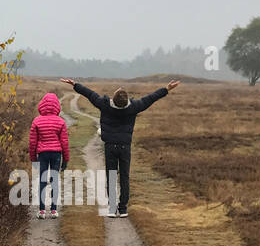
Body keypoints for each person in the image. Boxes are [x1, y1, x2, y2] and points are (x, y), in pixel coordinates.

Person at [60, 77, 180, 216]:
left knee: (111, 176)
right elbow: (151, 98)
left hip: (110, 146)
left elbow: (90, 94)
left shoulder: (104, 105)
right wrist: (166, 89)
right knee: (124, 177)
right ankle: (123, 209)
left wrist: (75, 85)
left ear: (114, 98)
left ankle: (112, 209)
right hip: (125, 147)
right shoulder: (134, 107)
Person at [28, 91, 70, 217]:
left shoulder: (37, 121)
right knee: (54, 180)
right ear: (57, 106)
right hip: (56, 154)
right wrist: (66, 159)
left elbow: (32, 142)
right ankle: (53, 210)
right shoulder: (61, 122)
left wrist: (33, 158)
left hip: (42, 154)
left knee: (42, 180)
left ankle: (41, 210)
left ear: (42, 105)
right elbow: (64, 142)